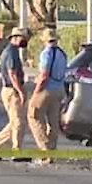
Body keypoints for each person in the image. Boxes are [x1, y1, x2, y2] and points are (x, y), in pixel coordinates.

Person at [28, 29, 68, 165]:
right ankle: (52, 150)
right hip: (59, 89)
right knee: (53, 122)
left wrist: (36, 92)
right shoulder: (62, 54)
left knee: (34, 116)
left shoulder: (46, 54)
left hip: (46, 89)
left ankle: (45, 149)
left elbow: (44, 75)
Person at [0, 28, 29, 159]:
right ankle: (16, 151)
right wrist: (20, 90)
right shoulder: (11, 52)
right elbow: (12, 73)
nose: (25, 41)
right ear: (16, 37)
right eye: (23, 38)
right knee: (17, 122)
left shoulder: (13, 51)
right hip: (12, 90)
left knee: (16, 121)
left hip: (11, 89)